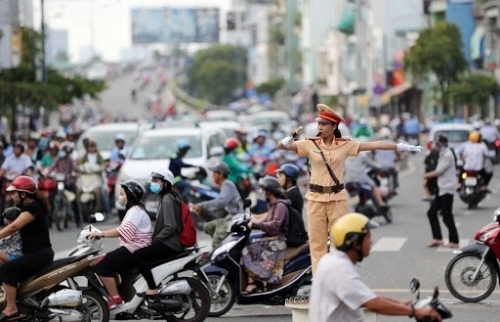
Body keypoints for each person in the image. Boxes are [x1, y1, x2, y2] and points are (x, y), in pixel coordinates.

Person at [278, 103, 422, 275]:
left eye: (324, 124)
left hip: (337, 198)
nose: (320, 127)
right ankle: (320, 281)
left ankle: (339, 277)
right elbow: (284, 146)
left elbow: (374, 145)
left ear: (334, 126)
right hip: (315, 199)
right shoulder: (310, 144)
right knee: (318, 245)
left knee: (341, 241)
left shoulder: (345, 145)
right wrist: (285, 141)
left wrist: (400, 146)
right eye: (319, 124)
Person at [309, 213, 442, 322]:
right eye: (368, 238)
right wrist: (415, 311)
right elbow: (372, 303)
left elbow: (363, 297)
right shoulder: (338, 269)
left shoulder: (332, 261)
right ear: (355, 243)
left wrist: (399, 303)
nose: (371, 242)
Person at [89, 180, 152, 308]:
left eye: (122, 194)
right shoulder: (135, 210)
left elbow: (123, 231)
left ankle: (115, 298)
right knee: (110, 263)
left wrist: (101, 233)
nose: (120, 197)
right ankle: (118, 295)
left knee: (101, 265)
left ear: (130, 196)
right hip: (133, 249)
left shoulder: (135, 211)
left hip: (134, 250)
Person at [0, 176, 54, 320]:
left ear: (23, 194)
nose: (12, 196)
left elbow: (14, 227)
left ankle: (11, 307)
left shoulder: (32, 208)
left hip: (39, 254)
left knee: (7, 270)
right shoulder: (30, 207)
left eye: (14, 193)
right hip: (36, 253)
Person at [133, 168, 183, 298]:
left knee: (138, 256)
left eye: (156, 181)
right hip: (168, 242)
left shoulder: (167, 199)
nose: (152, 183)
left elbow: (170, 226)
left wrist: (156, 240)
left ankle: (153, 288)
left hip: (170, 243)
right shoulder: (166, 197)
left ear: (165, 183)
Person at [241, 176, 289, 294]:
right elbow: (266, 219)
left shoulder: (280, 206)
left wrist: (256, 225)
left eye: (263, 190)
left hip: (277, 241)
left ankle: (253, 283)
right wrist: (253, 219)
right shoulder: (273, 205)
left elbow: (274, 225)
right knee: (247, 243)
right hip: (270, 237)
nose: (262, 193)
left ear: (269, 191)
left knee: (246, 251)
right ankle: (257, 280)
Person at [423, 134, 460, 249]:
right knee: (431, 212)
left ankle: (454, 241)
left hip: (447, 189)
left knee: (447, 215)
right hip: (442, 188)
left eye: (437, 143)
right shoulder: (442, 153)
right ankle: (438, 238)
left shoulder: (448, 155)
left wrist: (425, 176)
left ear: (443, 144)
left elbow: (438, 171)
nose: (436, 145)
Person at [192, 162, 241, 248]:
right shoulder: (224, 186)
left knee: (217, 240)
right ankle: (224, 245)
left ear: (221, 174)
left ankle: (220, 252)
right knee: (208, 227)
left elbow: (221, 202)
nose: (212, 176)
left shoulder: (227, 184)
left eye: (214, 173)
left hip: (236, 219)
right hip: (230, 218)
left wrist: (202, 205)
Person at [49, 144, 81, 227]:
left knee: (74, 200)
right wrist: (48, 173)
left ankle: (78, 220)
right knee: (51, 198)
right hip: (59, 182)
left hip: (68, 182)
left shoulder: (70, 160)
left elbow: (76, 168)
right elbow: (51, 168)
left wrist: (75, 173)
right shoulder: (57, 159)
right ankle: (49, 221)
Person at [78, 139, 111, 217]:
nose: (91, 148)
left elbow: (103, 165)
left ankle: (107, 211)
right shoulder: (85, 156)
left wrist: (101, 167)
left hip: (97, 177)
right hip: (86, 177)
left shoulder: (99, 156)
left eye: (93, 146)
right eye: (90, 146)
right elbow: (79, 165)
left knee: (103, 193)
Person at [374, 127, 400, 195]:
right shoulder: (393, 143)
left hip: (379, 167)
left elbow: (373, 154)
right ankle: (394, 188)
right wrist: (397, 159)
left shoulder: (377, 143)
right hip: (390, 167)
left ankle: (375, 189)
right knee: (395, 174)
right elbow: (398, 153)